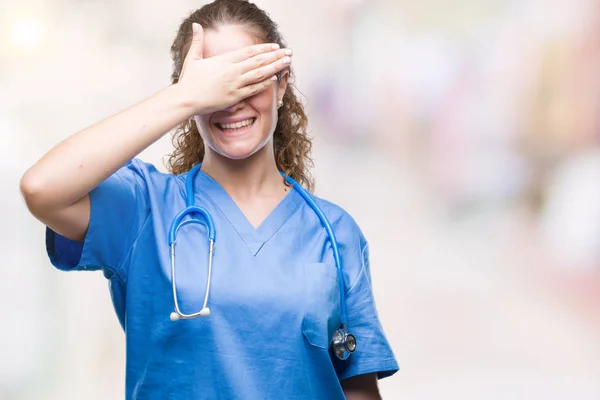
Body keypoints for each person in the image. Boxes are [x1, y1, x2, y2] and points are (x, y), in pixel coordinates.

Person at [20, 0, 398, 398]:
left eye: (247, 78)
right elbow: (42, 187)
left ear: (281, 82)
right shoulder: (143, 208)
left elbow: (358, 390)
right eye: (214, 85)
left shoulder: (335, 234)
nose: (231, 101)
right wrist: (186, 97)